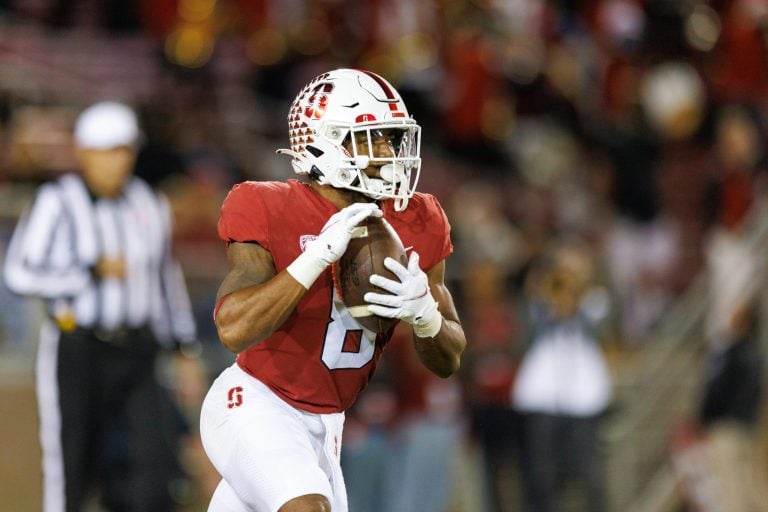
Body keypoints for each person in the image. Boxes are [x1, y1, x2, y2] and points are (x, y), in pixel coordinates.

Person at [199, 68, 467, 512]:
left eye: (391, 139)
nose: (388, 153)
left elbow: (449, 358)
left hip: (329, 425)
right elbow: (233, 328)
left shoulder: (417, 219)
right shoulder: (267, 204)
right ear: (326, 142)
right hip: (256, 401)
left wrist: (425, 314)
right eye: (373, 138)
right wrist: (314, 258)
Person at [3, 101, 200, 511]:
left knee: (151, 467)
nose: (118, 161)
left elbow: (165, 279)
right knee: (71, 460)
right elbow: (19, 273)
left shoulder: (148, 202)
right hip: (79, 345)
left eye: (125, 150)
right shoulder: (57, 201)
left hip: (138, 348)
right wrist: (87, 271)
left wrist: (182, 346)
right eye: (109, 150)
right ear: (85, 152)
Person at [512, 240, 613, 512]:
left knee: (589, 472)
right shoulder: (539, 298)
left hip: (584, 398)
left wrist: (577, 299)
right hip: (543, 396)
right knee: (541, 474)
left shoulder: (596, 298)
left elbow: (602, 330)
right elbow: (525, 332)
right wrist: (545, 295)